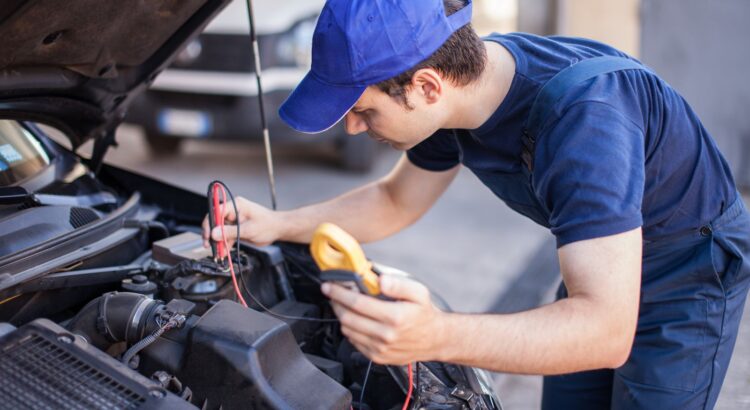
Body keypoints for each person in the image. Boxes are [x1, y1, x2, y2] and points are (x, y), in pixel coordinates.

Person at [202, 0, 750, 408]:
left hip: (688, 273)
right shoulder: (454, 98)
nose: (352, 125)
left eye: (363, 109)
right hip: (602, 262)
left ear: (426, 86)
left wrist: (436, 333)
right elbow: (394, 200)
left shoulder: (586, 122)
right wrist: (276, 223)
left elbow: (604, 330)